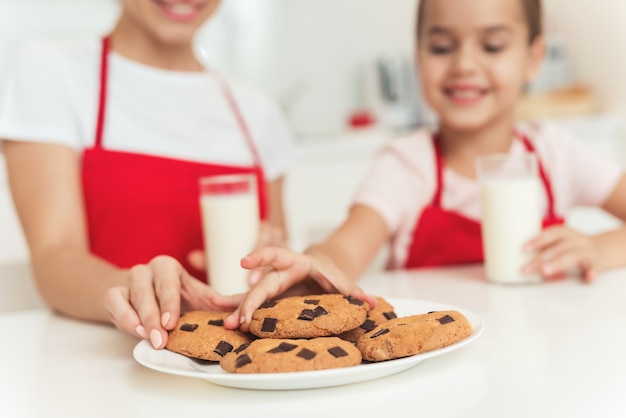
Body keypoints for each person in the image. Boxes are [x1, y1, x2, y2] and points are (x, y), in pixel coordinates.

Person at [222, 0, 626, 331]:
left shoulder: (555, 152)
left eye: (492, 46)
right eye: (441, 47)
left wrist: (600, 247)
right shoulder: (405, 165)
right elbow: (344, 248)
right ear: (418, 57)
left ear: (533, 58)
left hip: (547, 349)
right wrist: (316, 265)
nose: (464, 64)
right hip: (438, 357)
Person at [0, 0, 297, 349]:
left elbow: (280, 252)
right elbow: (55, 260)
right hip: (102, 367)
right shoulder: (52, 71)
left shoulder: (257, 111)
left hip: (235, 362)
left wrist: (271, 258)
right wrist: (140, 290)